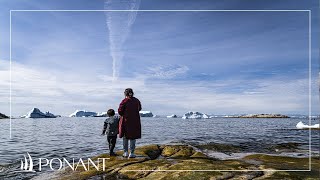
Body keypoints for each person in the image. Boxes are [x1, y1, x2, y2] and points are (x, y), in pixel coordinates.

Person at [118, 88, 142, 158]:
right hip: (135, 121)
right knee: (133, 137)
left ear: (125, 93)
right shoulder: (136, 100)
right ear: (132, 93)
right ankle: (132, 152)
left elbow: (120, 111)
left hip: (126, 121)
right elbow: (139, 108)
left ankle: (125, 152)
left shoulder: (124, 101)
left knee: (125, 137)